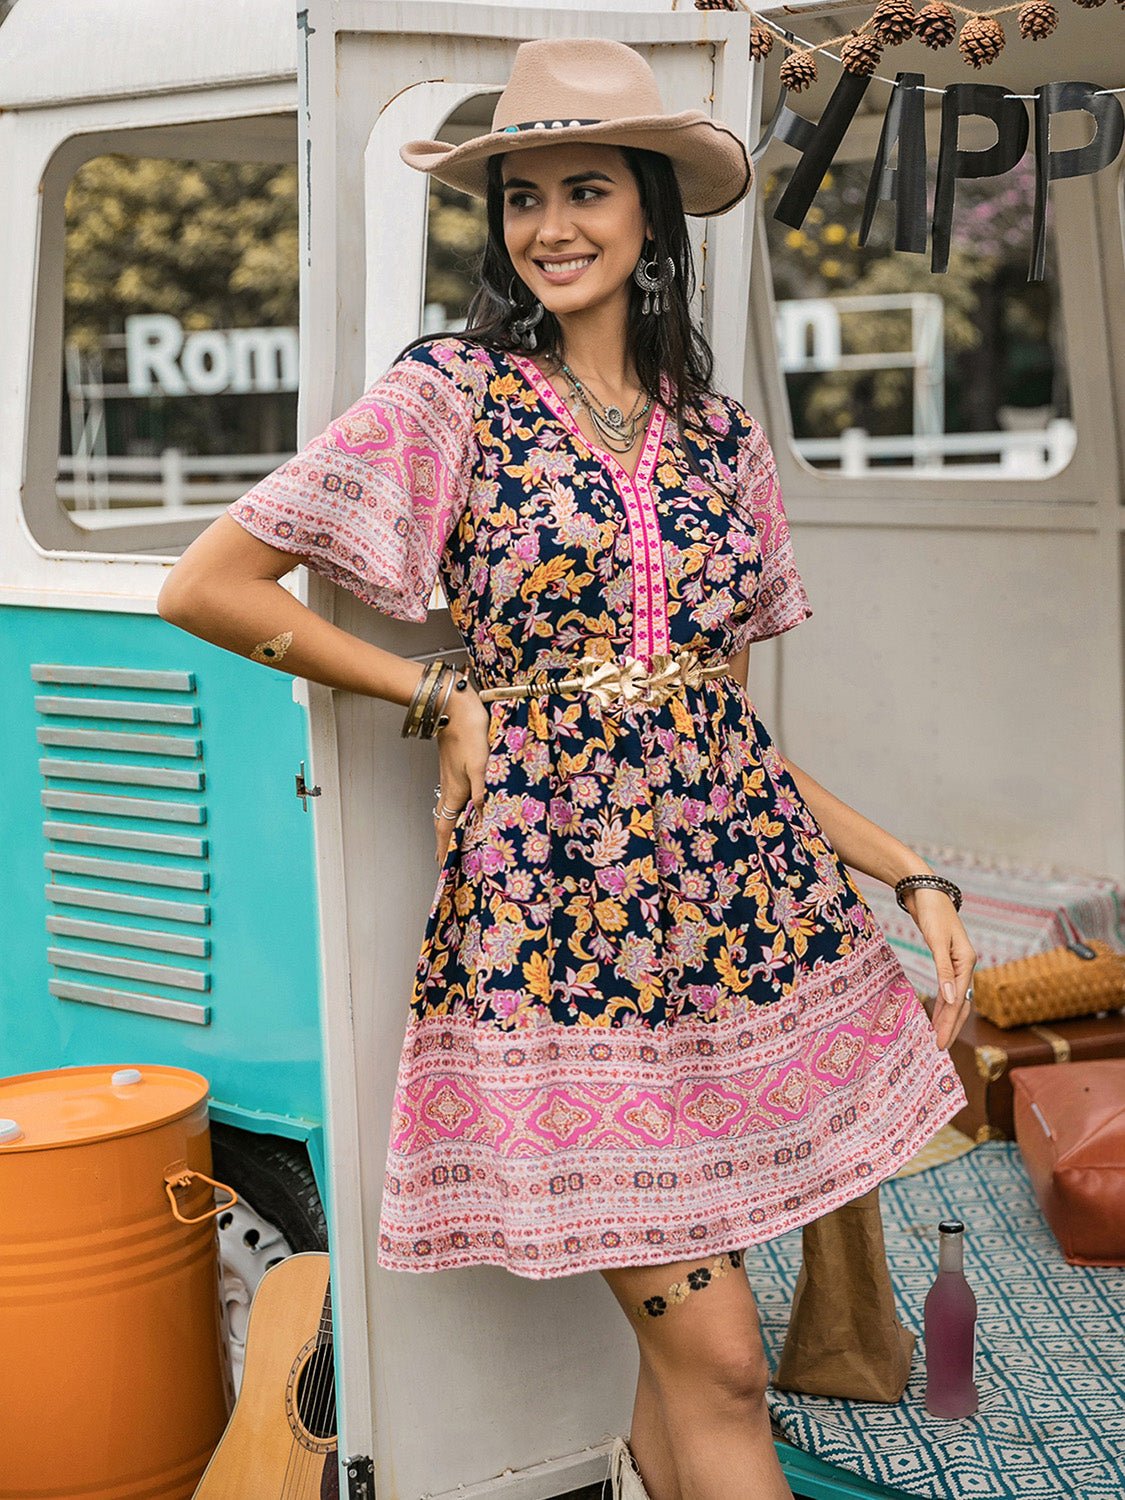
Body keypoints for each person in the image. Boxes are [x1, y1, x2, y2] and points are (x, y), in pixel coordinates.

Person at [157, 36, 976, 1500]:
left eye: (584, 188)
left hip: (735, 946)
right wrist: (431, 695)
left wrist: (902, 866)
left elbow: (733, 734)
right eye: (520, 195)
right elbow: (211, 585)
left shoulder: (723, 442)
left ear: (650, 210)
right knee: (724, 1357)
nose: (548, 226)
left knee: (691, 1374)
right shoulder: (450, 397)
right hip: (556, 945)